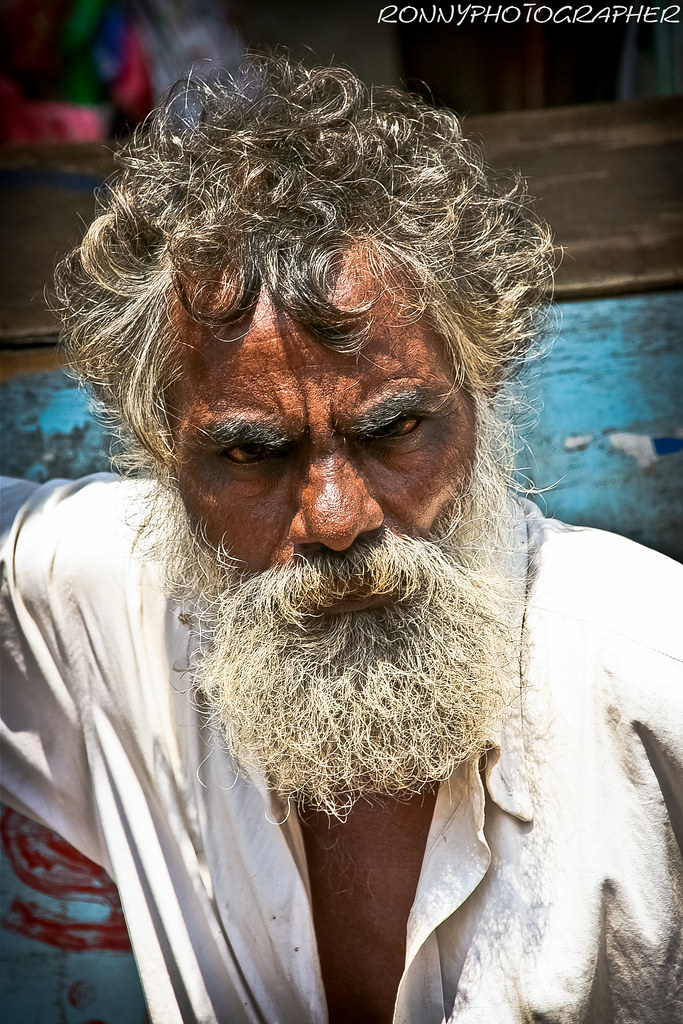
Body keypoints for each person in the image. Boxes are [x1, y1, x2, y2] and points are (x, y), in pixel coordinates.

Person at [1, 53, 681, 1024]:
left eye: (394, 429)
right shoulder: (108, 600)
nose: (334, 517)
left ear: (479, 398)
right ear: (161, 457)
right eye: (251, 452)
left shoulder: (653, 674)